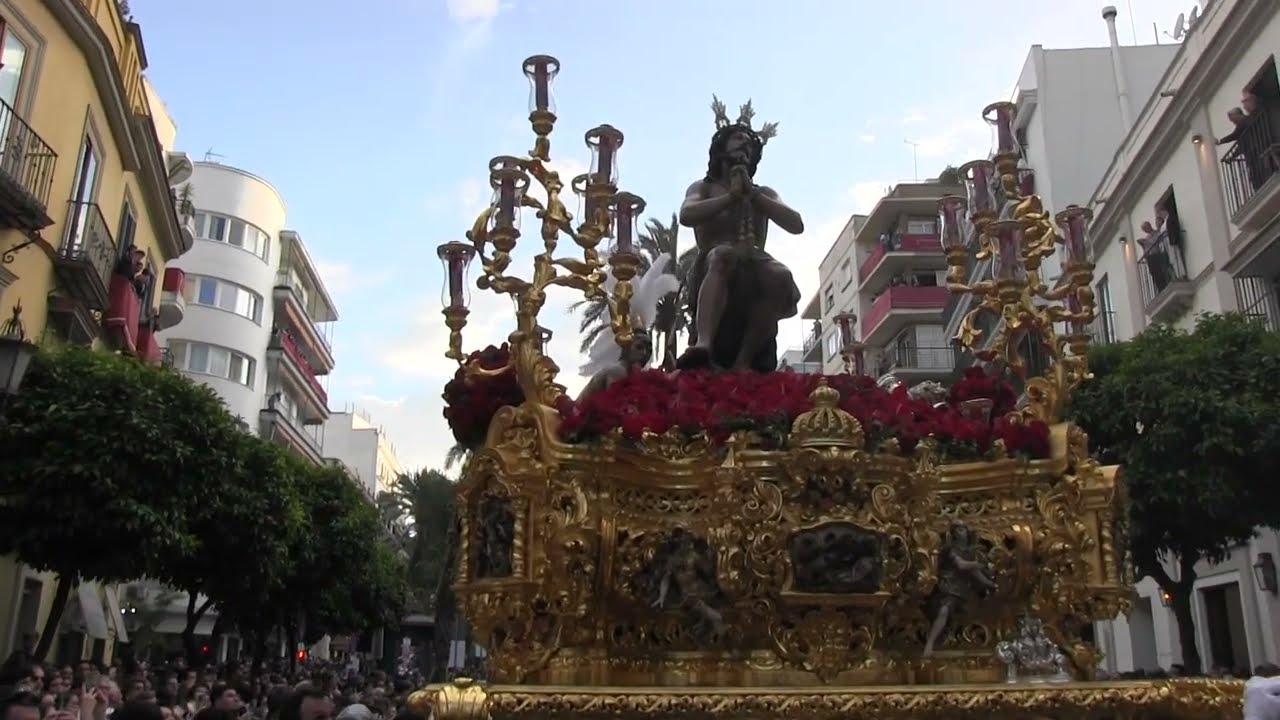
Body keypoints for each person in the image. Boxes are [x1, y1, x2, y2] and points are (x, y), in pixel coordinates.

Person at [677, 97, 805, 372]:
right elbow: (687, 215)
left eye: (749, 144)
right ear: (720, 149)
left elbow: (796, 223)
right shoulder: (703, 188)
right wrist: (731, 198)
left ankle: (744, 361)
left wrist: (754, 196)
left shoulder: (764, 193)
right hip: (716, 258)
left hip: (755, 258)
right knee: (723, 255)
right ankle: (704, 344)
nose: (744, 145)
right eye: (738, 140)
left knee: (780, 276)